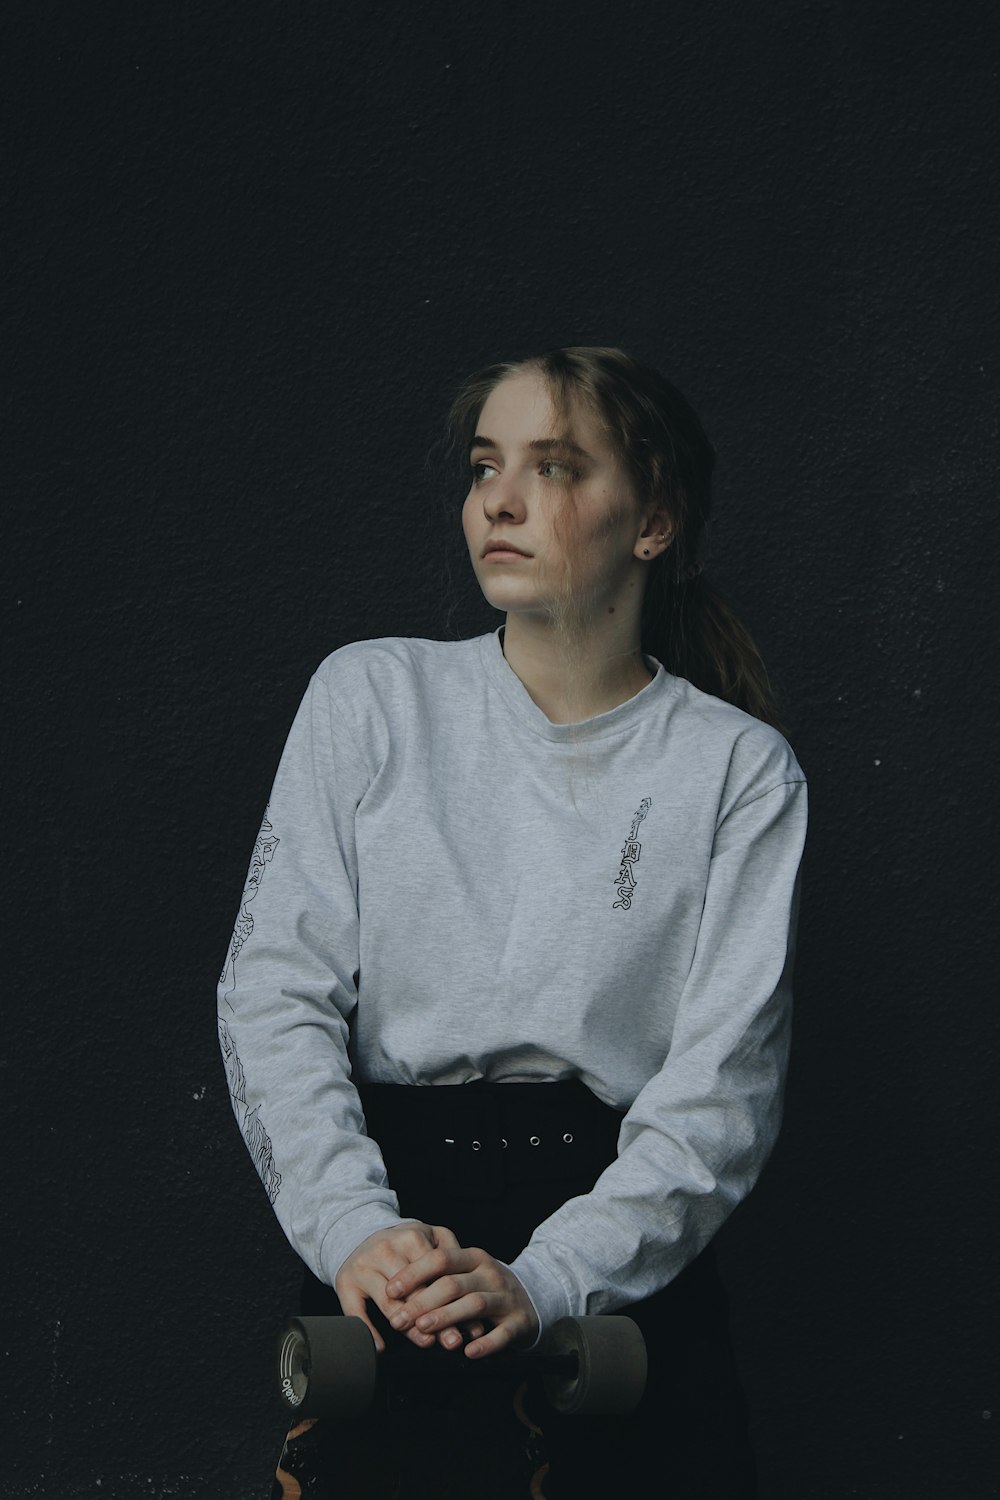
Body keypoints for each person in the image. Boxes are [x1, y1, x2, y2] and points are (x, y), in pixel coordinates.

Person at [218, 345, 808, 1499]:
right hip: (395, 1260)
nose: (499, 497)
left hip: (619, 1256)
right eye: (488, 463)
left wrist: (551, 1278)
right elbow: (272, 992)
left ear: (654, 523)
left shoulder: (736, 771)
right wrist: (353, 1234)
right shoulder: (371, 697)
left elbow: (723, 1089)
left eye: (555, 465)